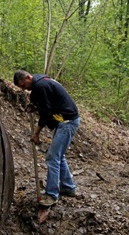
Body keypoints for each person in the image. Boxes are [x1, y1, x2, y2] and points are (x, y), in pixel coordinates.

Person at [13, 70, 80, 207]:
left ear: (27, 77)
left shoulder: (41, 86)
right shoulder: (41, 82)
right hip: (65, 120)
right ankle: (68, 187)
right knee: (58, 156)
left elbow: (46, 113)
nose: (25, 89)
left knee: (52, 156)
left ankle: (51, 194)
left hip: (67, 122)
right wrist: (35, 105)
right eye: (22, 88)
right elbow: (47, 104)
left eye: (24, 86)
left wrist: (36, 133)